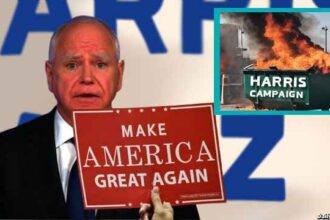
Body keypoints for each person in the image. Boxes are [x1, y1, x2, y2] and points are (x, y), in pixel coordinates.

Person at [0, 16, 200, 219]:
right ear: (50, 75)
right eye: (72, 65)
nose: (87, 78)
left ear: (119, 75)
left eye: (100, 64)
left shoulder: (163, 161)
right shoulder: (5, 153)